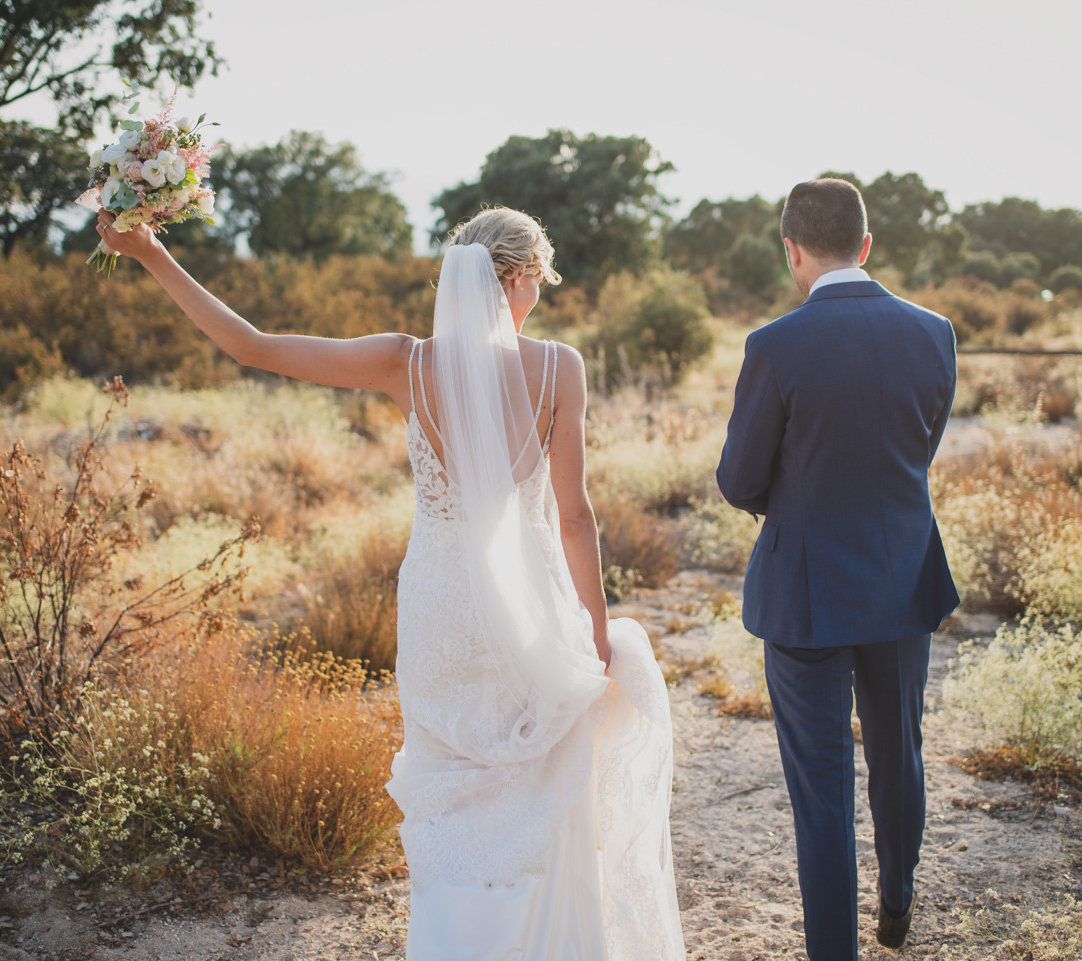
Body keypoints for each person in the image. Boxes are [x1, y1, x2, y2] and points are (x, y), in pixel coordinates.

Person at [94, 206, 685, 961]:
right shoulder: (559, 367)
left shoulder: (405, 362)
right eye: (537, 278)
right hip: (529, 604)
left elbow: (250, 346)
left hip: (440, 608)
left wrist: (149, 254)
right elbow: (575, 517)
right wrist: (596, 637)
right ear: (512, 278)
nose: (539, 293)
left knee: (451, 787)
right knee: (539, 774)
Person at [715, 178, 959, 960]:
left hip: (806, 594)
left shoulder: (775, 345)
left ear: (792, 249)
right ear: (866, 245)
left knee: (822, 792)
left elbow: (739, 479)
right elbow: (920, 445)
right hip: (902, 575)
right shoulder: (934, 332)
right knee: (900, 753)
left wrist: (801, 494)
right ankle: (896, 902)